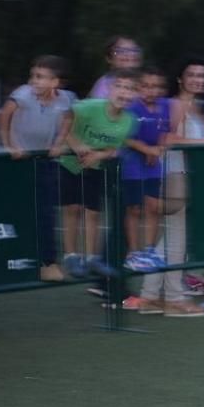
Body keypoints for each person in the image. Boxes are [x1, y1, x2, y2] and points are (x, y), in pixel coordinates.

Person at [129, 58, 204, 317]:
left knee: (171, 236)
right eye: (193, 74)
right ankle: (174, 299)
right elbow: (167, 138)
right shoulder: (175, 104)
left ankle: (150, 296)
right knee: (176, 236)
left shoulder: (197, 107)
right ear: (180, 78)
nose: (199, 80)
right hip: (170, 170)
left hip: (181, 171)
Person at [0, 55, 76, 281]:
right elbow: (4, 115)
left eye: (41, 77)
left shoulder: (65, 99)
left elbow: (69, 119)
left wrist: (59, 142)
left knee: (46, 213)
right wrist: (9, 145)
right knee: (14, 210)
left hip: (44, 162)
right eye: (33, 76)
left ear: (56, 82)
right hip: (18, 161)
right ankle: (9, 260)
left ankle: (48, 263)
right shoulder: (23, 94)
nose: (34, 81)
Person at [59, 70, 139, 279]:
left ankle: (92, 258)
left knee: (93, 212)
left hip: (94, 168)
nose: (124, 92)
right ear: (110, 89)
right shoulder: (89, 107)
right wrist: (76, 145)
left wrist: (97, 156)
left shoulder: (129, 120)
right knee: (73, 209)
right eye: (120, 86)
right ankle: (70, 256)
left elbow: (115, 149)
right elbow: (65, 119)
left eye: (130, 89)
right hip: (70, 164)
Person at [120, 66, 170, 273]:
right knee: (134, 208)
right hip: (132, 161)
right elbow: (125, 137)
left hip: (154, 164)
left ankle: (149, 250)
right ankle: (133, 252)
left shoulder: (164, 107)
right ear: (138, 87)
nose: (151, 90)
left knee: (154, 206)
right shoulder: (130, 107)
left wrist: (158, 149)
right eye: (146, 86)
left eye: (156, 87)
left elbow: (165, 133)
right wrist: (147, 149)